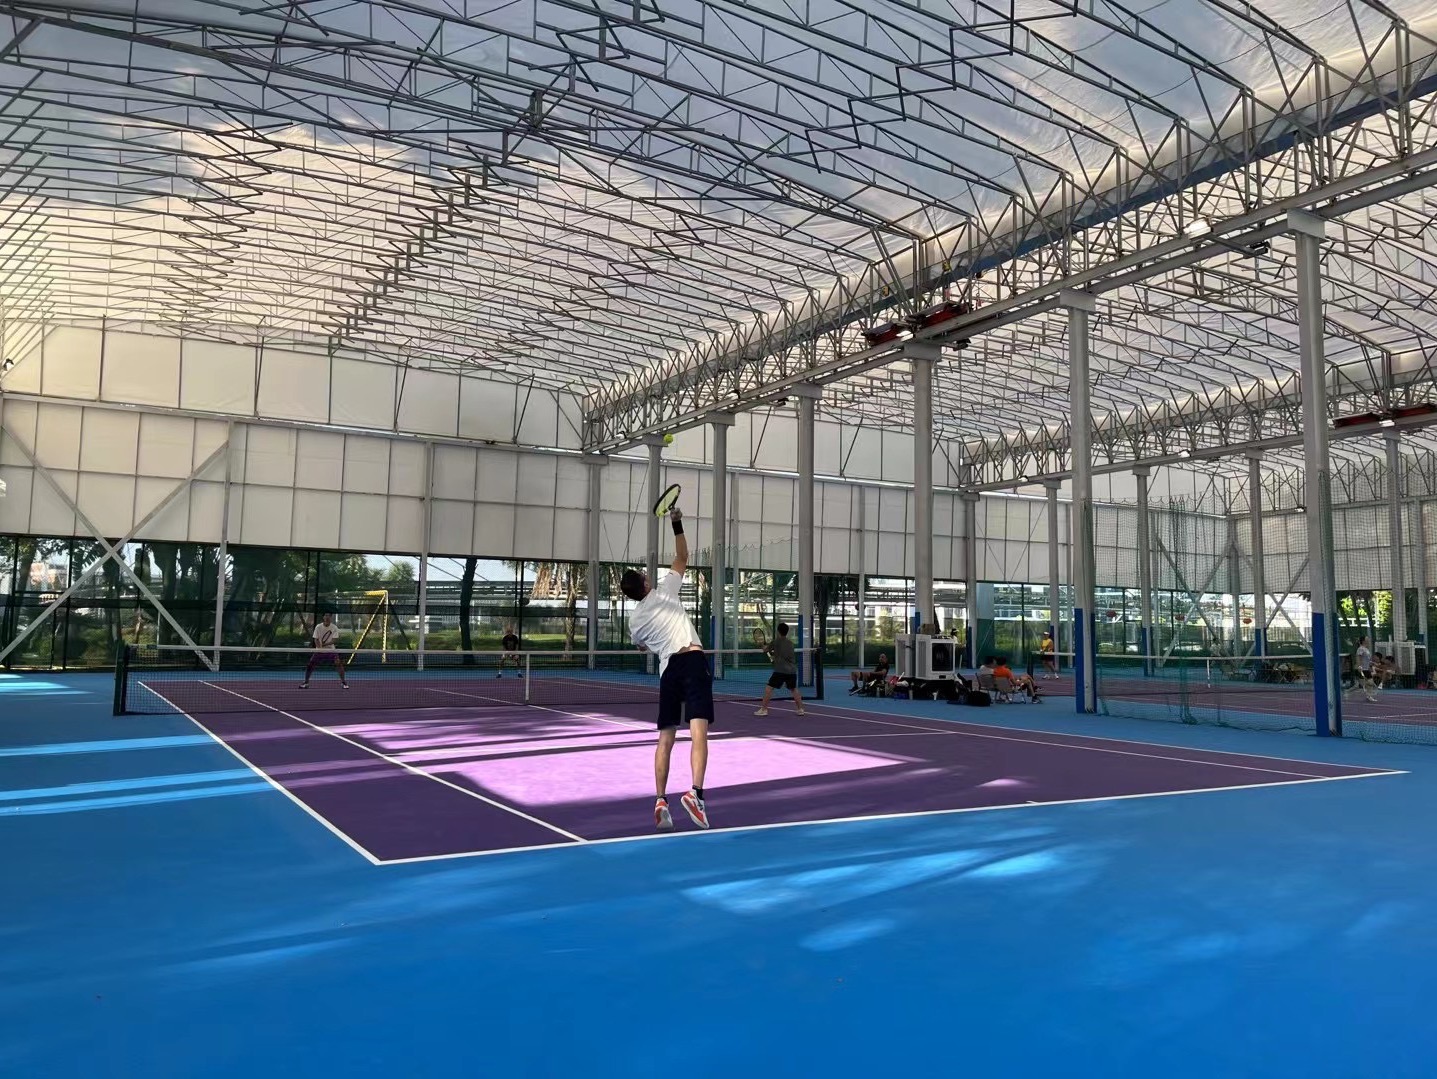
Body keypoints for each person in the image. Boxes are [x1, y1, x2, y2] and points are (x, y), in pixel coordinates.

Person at [620, 505, 712, 831]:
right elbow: (683, 555)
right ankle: (695, 794)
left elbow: (640, 644)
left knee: (665, 738)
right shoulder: (667, 590)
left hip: (667, 671)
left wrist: (650, 643)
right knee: (698, 731)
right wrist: (676, 522)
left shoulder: (635, 621)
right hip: (692, 660)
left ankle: (660, 799)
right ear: (646, 583)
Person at [755, 622, 804, 717]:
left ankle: (764, 710)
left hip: (780, 670)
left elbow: (765, 649)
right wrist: (774, 657)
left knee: (769, 688)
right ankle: (800, 709)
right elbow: (783, 654)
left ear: (778, 631)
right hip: (792, 670)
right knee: (794, 689)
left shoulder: (776, 641)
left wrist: (762, 645)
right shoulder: (790, 643)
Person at [299, 612, 348, 689]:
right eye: (325, 615)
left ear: (331, 618)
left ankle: (343, 682)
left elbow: (334, 640)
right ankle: (306, 682)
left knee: (338, 664)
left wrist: (325, 644)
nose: (327, 617)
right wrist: (319, 647)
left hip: (331, 650)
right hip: (319, 651)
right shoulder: (318, 627)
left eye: (329, 616)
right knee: (310, 665)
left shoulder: (334, 627)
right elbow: (316, 639)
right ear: (323, 617)